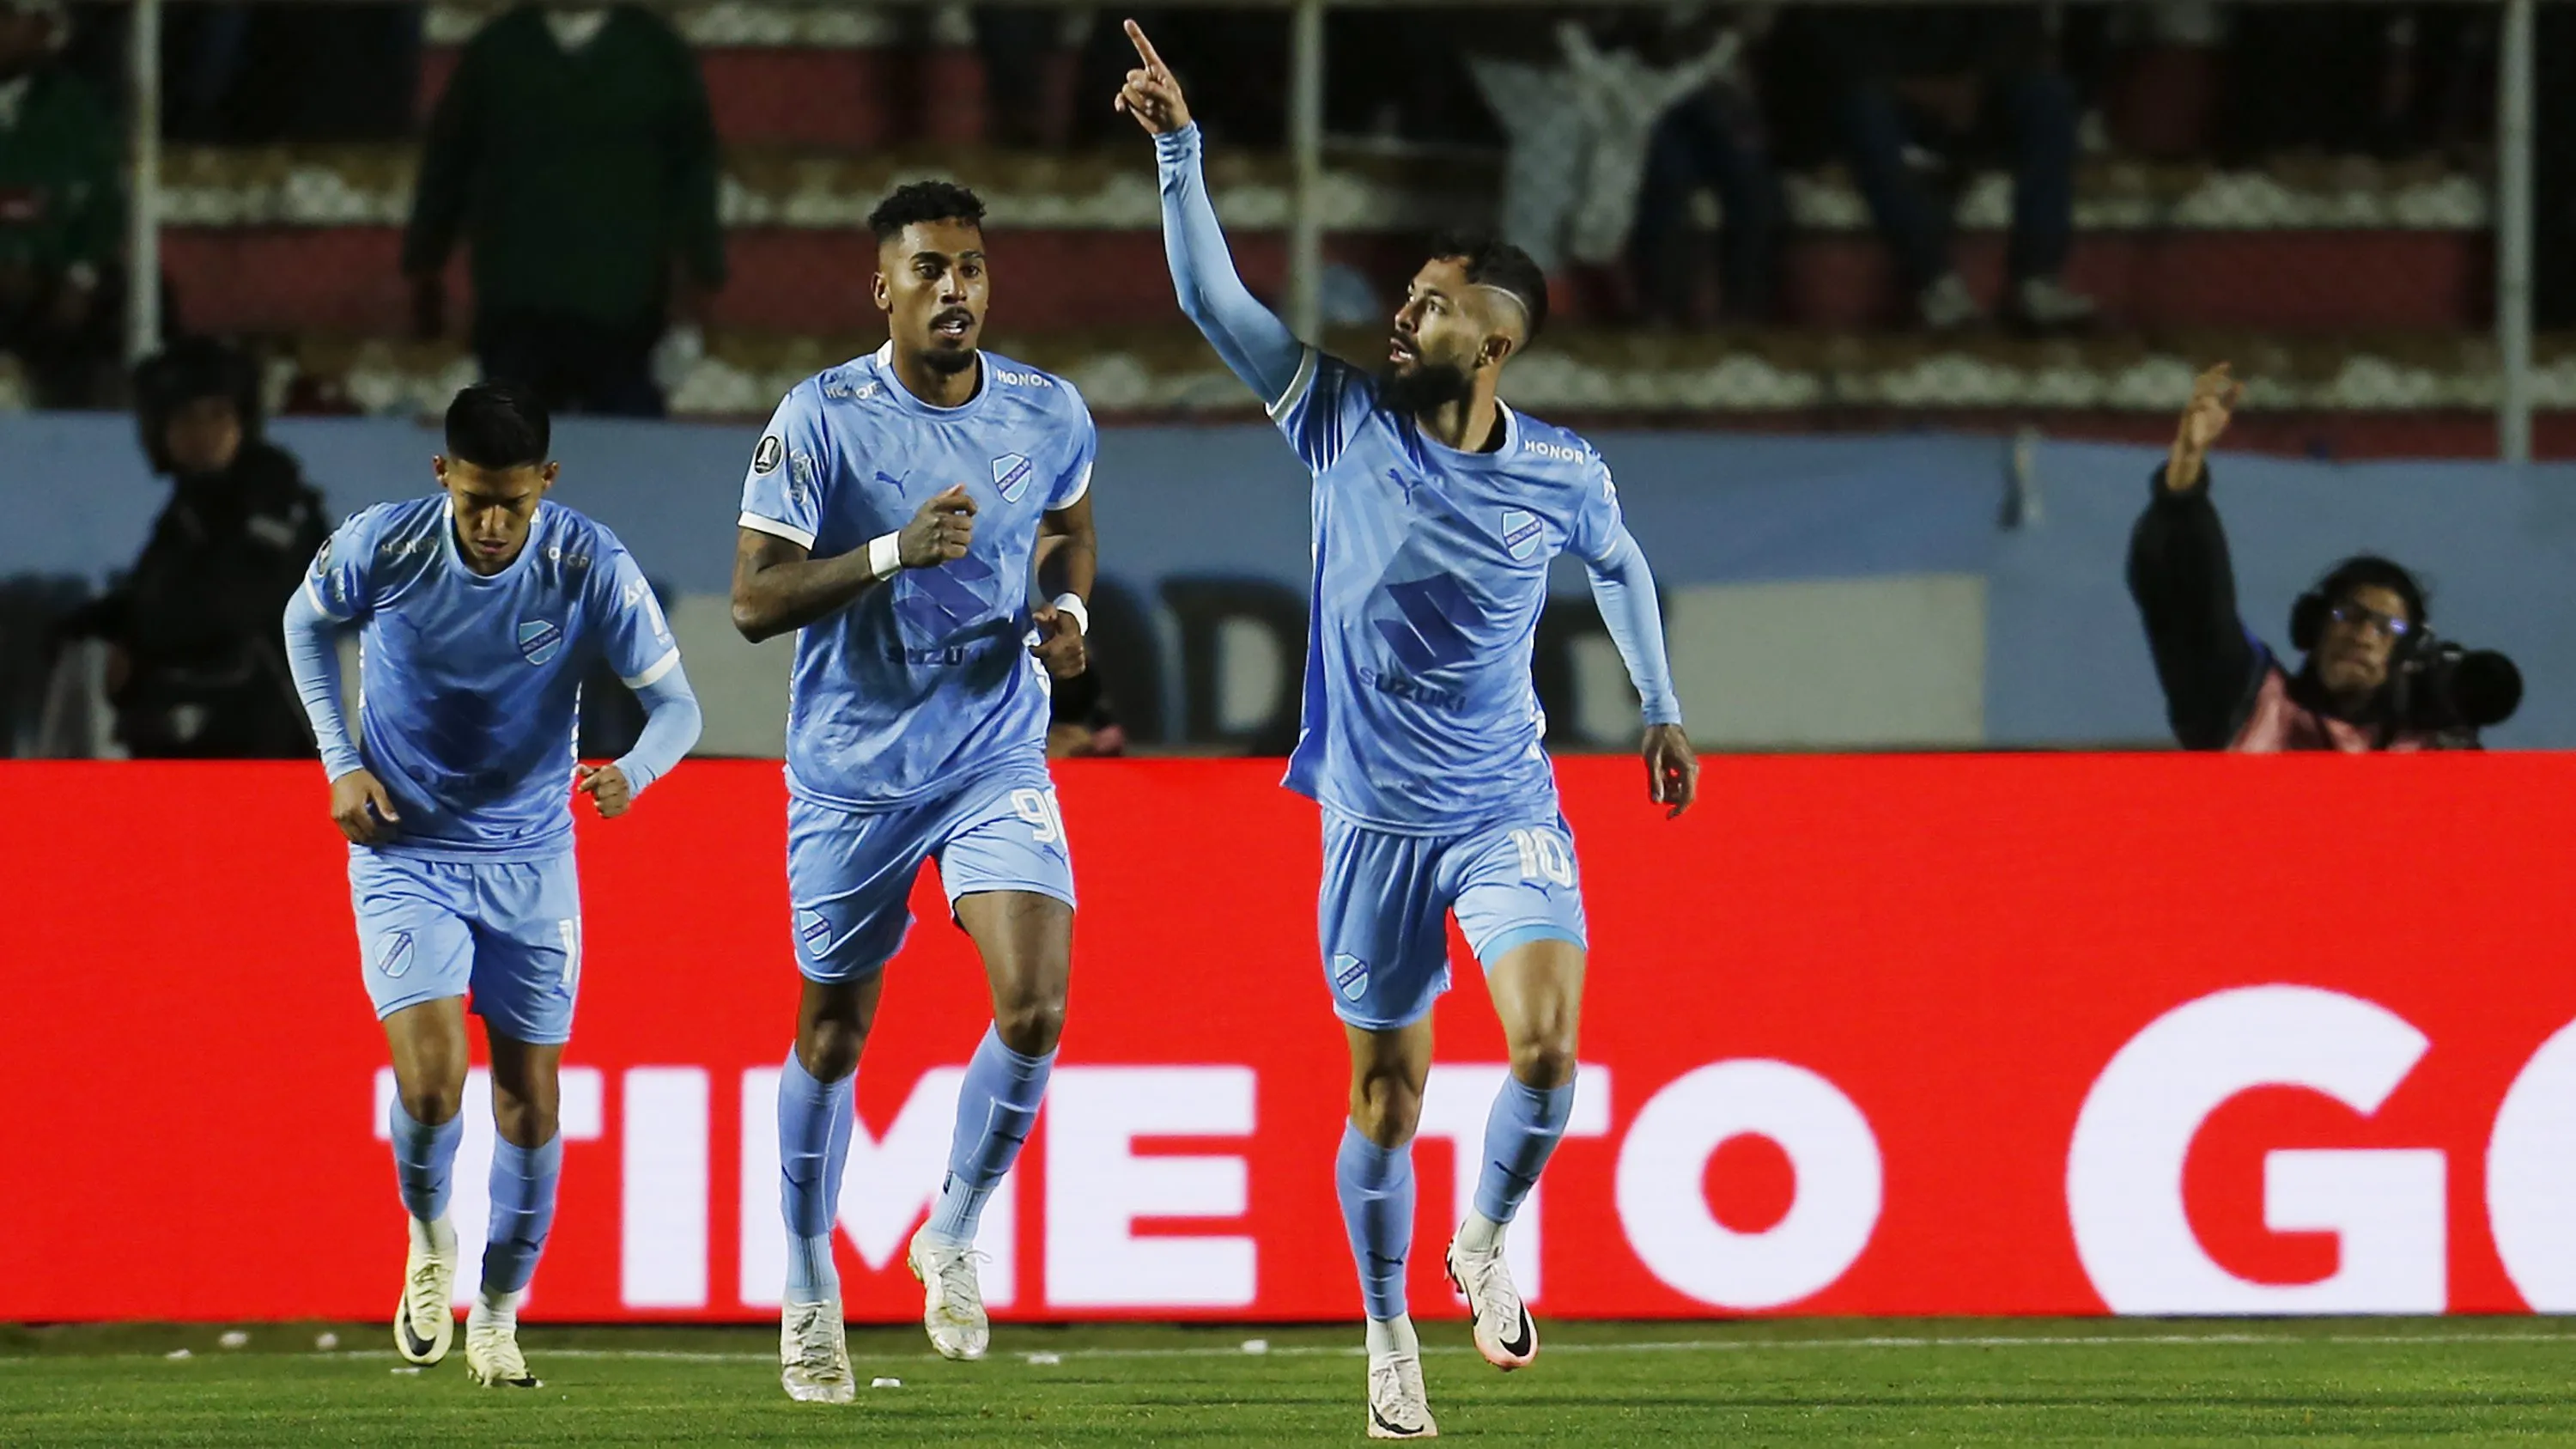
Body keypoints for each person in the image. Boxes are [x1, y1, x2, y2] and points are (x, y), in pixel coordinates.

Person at [1120, 22, 1698, 1438]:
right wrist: (1179, 149)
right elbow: (1214, 301)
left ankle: (1484, 1237)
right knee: (1385, 1097)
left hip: (1505, 806)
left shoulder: (1560, 468)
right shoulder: (1338, 418)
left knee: (1549, 1051)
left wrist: (1662, 703)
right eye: (1410, 297)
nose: (1403, 315)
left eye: (1433, 305)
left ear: (1493, 341)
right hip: (1372, 820)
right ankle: (1388, 1337)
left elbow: (1619, 564)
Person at [729, 180, 1098, 1402]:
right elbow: (752, 601)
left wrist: (1068, 611)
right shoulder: (820, 418)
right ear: (880, 287)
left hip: (993, 747)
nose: (955, 288)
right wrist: (894, 550)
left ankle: (950, 1229)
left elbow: (1068, 526)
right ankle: (805, 1277)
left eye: (973, 269)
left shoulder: (1046, 409)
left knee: (1036, 1003)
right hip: (853, 769)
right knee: (833, 1031)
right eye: (930, 268)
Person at [281, 383, 702, 1387]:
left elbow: (677, 707)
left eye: (513, 501)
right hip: (406, 848)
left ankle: (502, 1310)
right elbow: (304, 623)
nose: (493, 523)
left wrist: (631, 774)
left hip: (532, 858)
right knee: (431, 1084)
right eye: (475, 500)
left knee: (531, 1102)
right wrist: (340, 759)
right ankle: (431, 1240)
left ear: (545, 483)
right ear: (443, 478)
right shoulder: (387, 544)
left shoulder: (588, 561)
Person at [2128, 362, 2516, 752]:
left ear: (2405, 654)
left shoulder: (2422, 748)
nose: (2363, 636)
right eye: (2348, 615)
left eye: (2387, 628)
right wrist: (2184, 483)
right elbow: (2194, 607)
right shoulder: (2251, 706)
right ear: (2312, 626)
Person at [403, 3, 724, 417]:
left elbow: (692, 171)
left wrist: (699, 274)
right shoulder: (499, 50)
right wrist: (426, 262)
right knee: (511, 446)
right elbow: (449, 160)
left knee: (626, 449)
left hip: (625, 304)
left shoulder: (656, 53)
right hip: (516, 300)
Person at [56, 338, 325, 758]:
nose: (203, 434)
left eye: (217, 415)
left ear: (243, 422)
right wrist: (96, 626)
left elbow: (235, 603)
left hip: (262, 742)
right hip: (183, 732)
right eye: (185, 418)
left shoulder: (275, 498)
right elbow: (156, 594)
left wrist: (139, 649)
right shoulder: (188, 509)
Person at [1789, 5, 2093, 332]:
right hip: (1883, 97)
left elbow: (2016, 33)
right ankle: (1935, 282)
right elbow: (1829, 46)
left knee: (2048, 97)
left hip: (1972, 93)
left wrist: (1975, 83)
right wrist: (1926, 92)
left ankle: (2037, 279)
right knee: (1863, 111)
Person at [0, 0, 121, 407]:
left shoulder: (71, 106)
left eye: (5, 15)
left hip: (46, 275)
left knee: (123, 302)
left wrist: (79, 275)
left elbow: (103, 205)